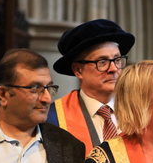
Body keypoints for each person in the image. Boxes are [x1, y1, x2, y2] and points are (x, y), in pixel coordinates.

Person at [48, 19, 135, 154]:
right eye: (102, 62)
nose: (113, 68)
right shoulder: (54, 118)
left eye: (117, 60)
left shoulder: (139, 111)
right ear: (78, 70)